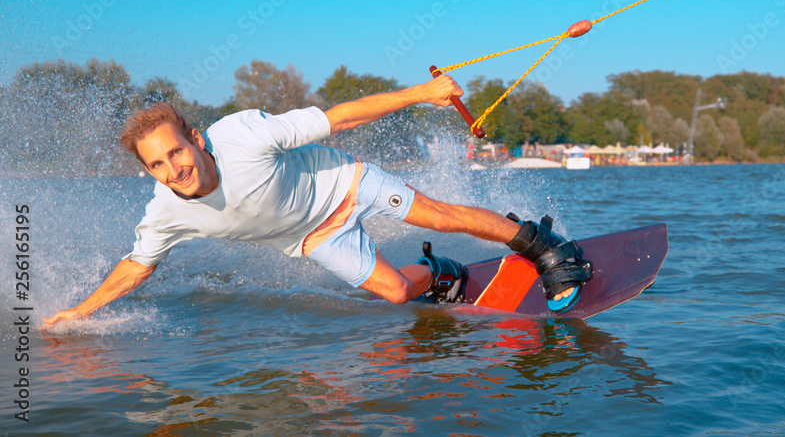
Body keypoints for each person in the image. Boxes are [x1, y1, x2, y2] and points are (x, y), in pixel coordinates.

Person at [42, 74, 591, 328]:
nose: (173, 171)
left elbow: (344, 115)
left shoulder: (242, 135)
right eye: (156, 166)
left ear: (197, 140)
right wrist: (79, 313)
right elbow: (136, 266)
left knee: (440, 214)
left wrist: (422, 94)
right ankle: (441, 275)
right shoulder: (165, 212)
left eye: (176, 153)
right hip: (315, 237)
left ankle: (546, 247)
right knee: (399, 293)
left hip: (347, 183)